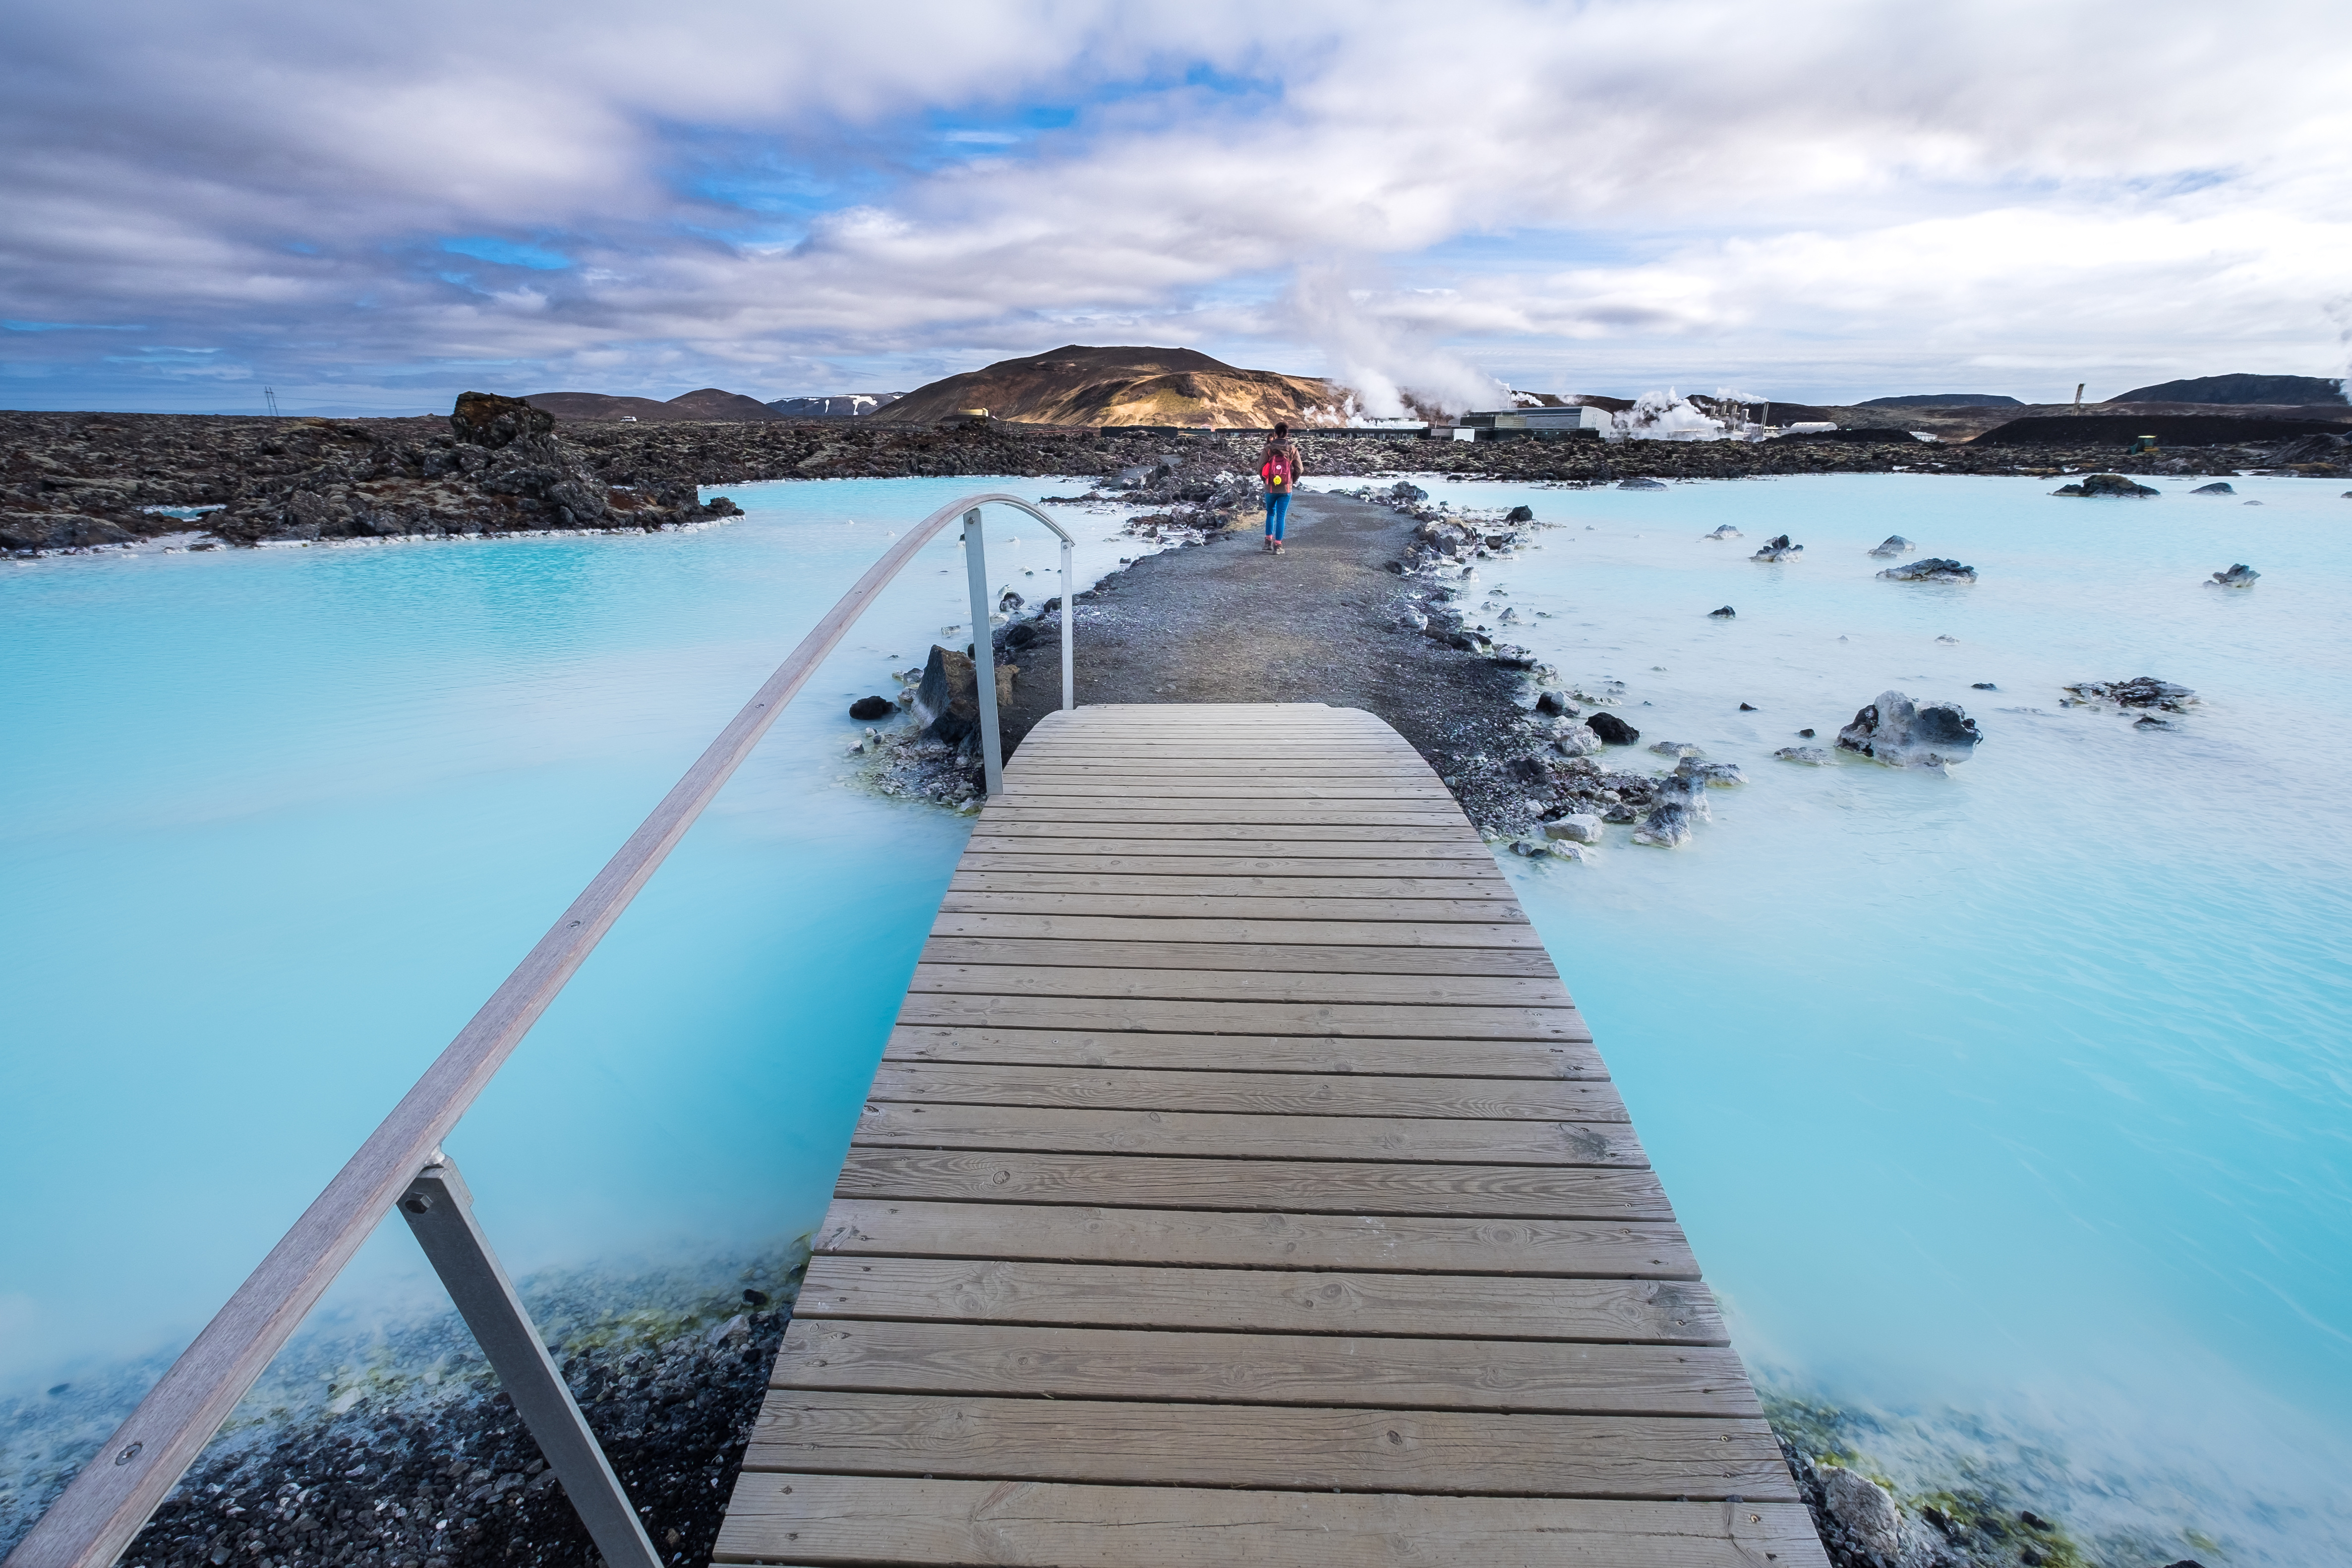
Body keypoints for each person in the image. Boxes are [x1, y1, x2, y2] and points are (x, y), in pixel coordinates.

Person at [1258, 422, 1301, 554]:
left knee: (1271, 513)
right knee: (1281, 516)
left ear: (1275, 433)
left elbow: (1260, 468)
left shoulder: (1268, 449)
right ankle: (1278, 546)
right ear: (1287, 433)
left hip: (1270, 488)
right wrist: (1291, 480)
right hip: (1286, 489)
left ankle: (1267, 542)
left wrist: (1266, 480)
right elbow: (1300, 469)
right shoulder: (1293, 449)